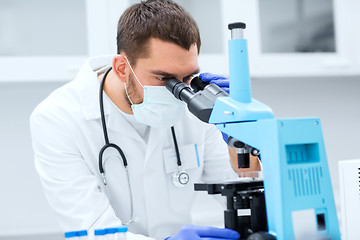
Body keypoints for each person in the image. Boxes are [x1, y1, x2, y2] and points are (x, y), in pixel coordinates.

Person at [30, 1, 260, 239]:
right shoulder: (57, 119)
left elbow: (242, 192)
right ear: (121, 68)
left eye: (187, 77)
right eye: (164, 78)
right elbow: (90, 230)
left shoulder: (196, 109)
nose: (178, 91)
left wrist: (243, 139)